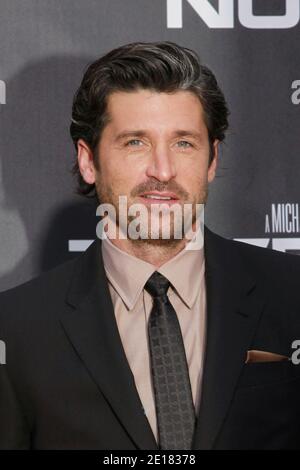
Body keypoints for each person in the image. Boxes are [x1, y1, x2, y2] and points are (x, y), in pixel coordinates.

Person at [1, 41, 300, 450]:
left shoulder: (290, 295)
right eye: (135, 142)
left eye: (183, 143)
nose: (162, 170)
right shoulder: (17, 328)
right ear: (89, 161)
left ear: (212, 160)